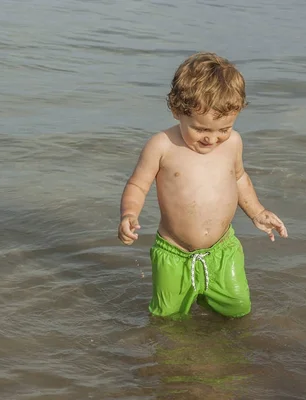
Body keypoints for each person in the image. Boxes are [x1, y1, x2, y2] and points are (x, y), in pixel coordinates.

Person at [117, 52, 288, 318]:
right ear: (177, 111)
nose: (212, 139)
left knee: (238, 310)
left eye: (223, 129)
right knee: (167, 319)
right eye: (201, 130)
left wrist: (257, 212)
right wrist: (129, 214)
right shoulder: (162, 145)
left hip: (223, 251)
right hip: (174, 253)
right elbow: (138, 185)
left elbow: (240, 178)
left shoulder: (233, 143)